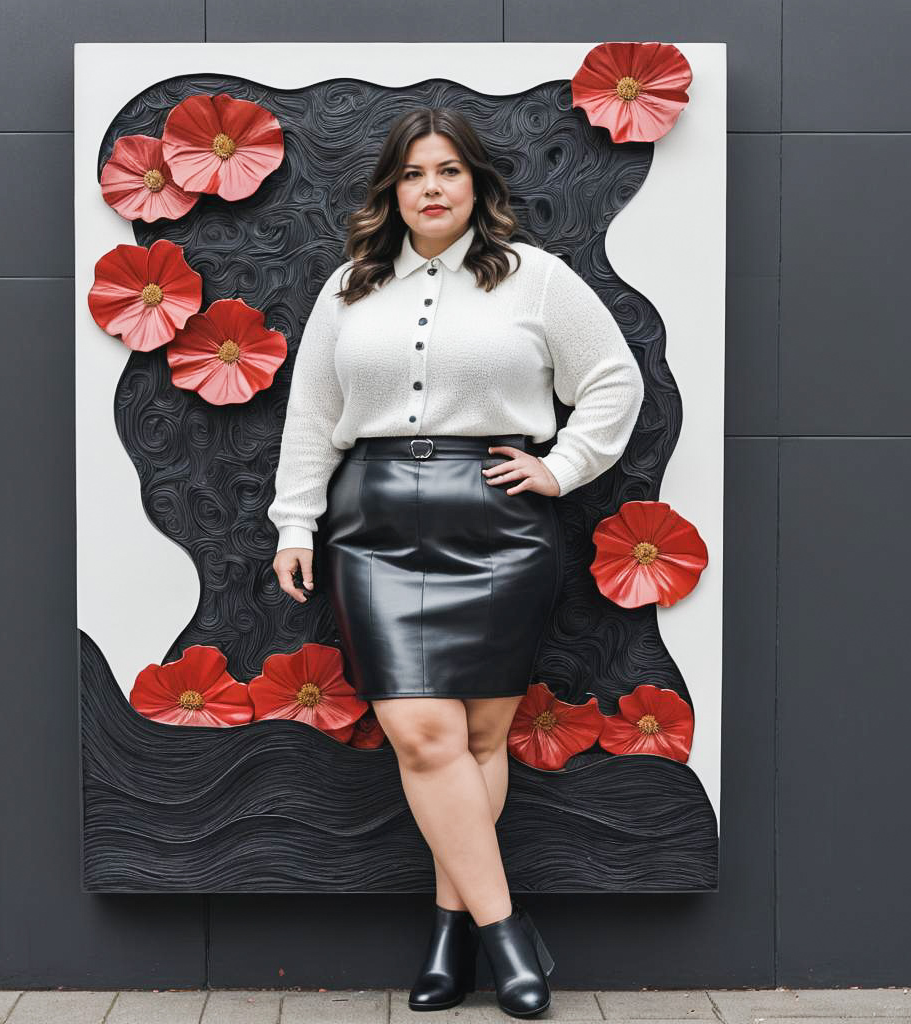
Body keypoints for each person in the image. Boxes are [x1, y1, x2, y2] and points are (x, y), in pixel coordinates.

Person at [268, 107, 644, 1019]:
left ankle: (450, 936)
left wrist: (560, 468)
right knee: (423, 734)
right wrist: (294, 523)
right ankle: (512, 938)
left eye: (446, 171)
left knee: (479, 739)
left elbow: (613, 379)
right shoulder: (349, 287)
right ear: (391, 192)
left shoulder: (535, 279)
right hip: (376, 523)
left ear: (476, 183)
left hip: (501, 525)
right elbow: (312, 414)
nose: (430, 188)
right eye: (411, 175)